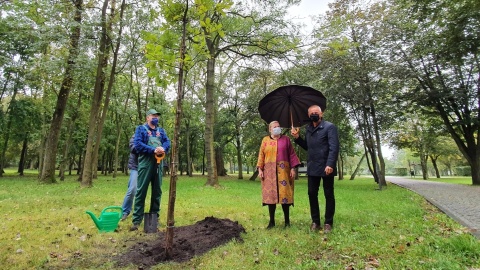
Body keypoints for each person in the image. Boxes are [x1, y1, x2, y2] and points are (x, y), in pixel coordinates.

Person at [291, 105, 339, 233]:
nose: (314, 114)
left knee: (328, 194)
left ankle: (328, 222)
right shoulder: (308, 129)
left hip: (326, 167)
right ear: (308, 115)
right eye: (311, 113)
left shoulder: (330, 127)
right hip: (313, 168)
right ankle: (315, 222)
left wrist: (330, 164)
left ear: (321, 114)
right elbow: (308, 147)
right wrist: (297, 138)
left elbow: (334, 147)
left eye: (316, 112)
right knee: (312, 194)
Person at [130, 109, 171, 231]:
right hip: (145, 164)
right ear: (148, 117)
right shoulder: (141, 129)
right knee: (141, 190)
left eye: (157, 116)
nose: (156, 118)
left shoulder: (161, 131)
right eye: (154, 116)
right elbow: (137, 145)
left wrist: (162, 148)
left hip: (158, 164)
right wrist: (153, 150)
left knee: (157, 191)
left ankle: (154, 218)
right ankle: (136, 221)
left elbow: (168, 142)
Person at [257, 121, 300, 229]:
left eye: (278, 126)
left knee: (285, 195)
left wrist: (293, 168)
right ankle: (272, 222)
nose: (277, 128)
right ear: (270, 129)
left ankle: (287, 222)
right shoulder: (265, 140)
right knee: (271, 197)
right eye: (275, 127)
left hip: (284, 172)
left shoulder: (286, 139)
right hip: (269, 172)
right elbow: (261, 155)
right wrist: (260, 169)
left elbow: (292, 154)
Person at [121, 134, 138, 221]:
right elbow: (133, 147)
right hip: (136, 166)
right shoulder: (137, 134)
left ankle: (141, 214)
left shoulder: (156, 134)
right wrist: (146, 148)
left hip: (149, 166)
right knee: (132, 189)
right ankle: (124, 211)